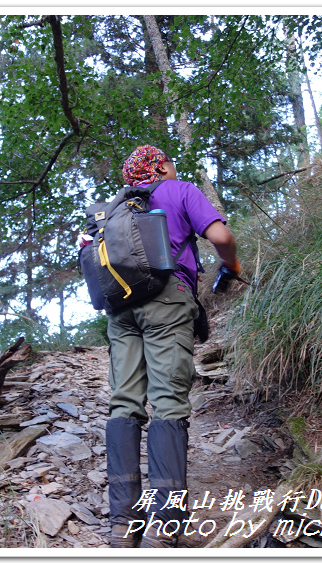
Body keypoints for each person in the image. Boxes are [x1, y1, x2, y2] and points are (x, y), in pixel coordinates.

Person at [105, 145, 240, 548]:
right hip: (167, 298)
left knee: (124, 403)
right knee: (167, 403)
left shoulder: (113, 209)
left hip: (121, 309)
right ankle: (164, 526)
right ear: (161, 165)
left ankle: (121, 524)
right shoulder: (178, 190)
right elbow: (221, 236)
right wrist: (231, 266)